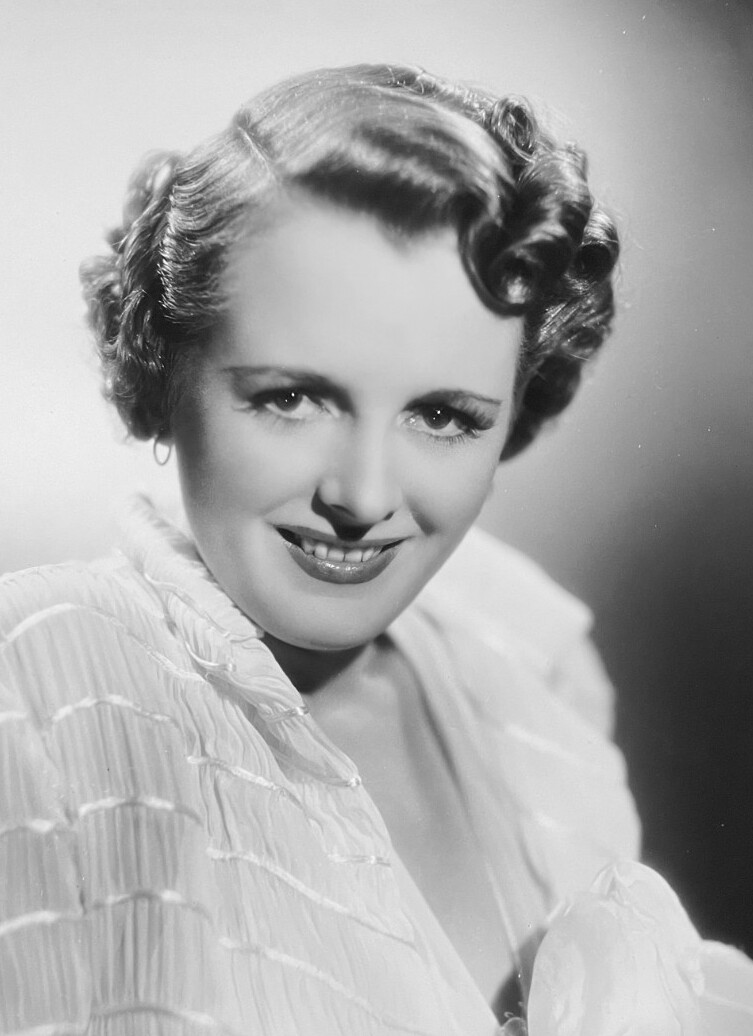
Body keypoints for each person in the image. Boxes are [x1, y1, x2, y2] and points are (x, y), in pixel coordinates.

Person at [0, 64, 749, 1036]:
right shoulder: (48, 680)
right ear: (163, 368)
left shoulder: (534, 679)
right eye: (292, 397)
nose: (361, 496)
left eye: (442, 416)